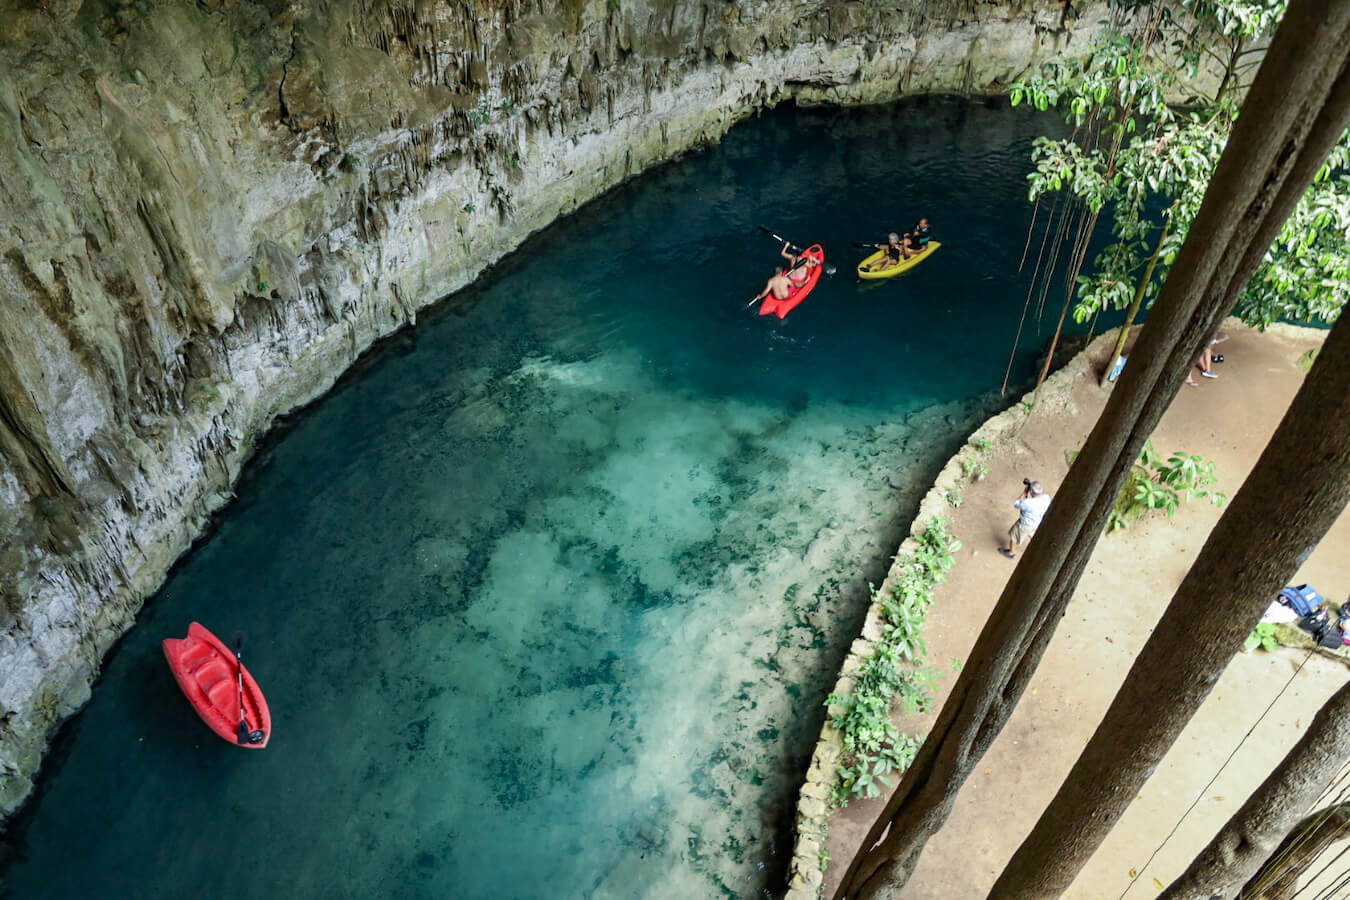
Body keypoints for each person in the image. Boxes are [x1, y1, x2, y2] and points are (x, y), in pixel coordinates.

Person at [999, 478, 1052, 559]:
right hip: (1037, 522)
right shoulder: (1046, 498)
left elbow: (1016, 504)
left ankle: (1011, 553)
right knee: (1031, 534)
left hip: (1025, 524)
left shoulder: (1028, 503)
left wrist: (1024, 492)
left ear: (1031, 491)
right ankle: (1037, 548)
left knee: (1014, 536)